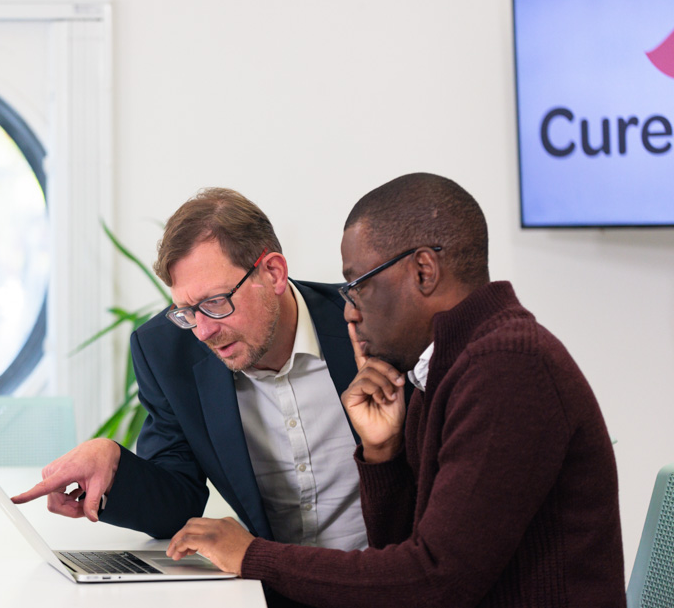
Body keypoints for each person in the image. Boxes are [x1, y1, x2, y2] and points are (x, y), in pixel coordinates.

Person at [166, 173, 625, 608]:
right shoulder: (443, 367)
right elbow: (404, 556)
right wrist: (382, 453)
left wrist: (252, 556)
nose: (348, 311)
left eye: (358, 285)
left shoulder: (509, 366)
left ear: (424, 271)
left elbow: (433, 582)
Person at [13, 188, 368, 553]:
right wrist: (114, 462)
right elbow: (178, 502)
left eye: (216, 302)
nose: (203, 331)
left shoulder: (368, 322)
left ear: (273, 273)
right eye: (186, 310)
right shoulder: (165, 351)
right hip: (268, 585)